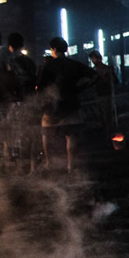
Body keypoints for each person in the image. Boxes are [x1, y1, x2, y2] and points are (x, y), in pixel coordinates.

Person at [35, 37, 96, 172]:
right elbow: (95, 75)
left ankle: (48, 163)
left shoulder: (48, 66)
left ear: (54, 49)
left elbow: (39, 87)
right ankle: (71, 165)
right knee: (71, 134)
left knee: (46, 133)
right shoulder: (74, 65)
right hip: (71, 103)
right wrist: (82, 87)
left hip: (53, 105)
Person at [6, 33, 39, 171]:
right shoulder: (29, 61)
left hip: (18, 101)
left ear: (10, 46)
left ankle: (22, 167)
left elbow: (20, 79)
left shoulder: (11, 61)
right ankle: (33, 166)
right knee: (31, 134)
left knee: (18, 134)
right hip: (32, 99)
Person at [88, 50, 118, 141]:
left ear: (98, 58)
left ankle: (109, 136)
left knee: (107, 117)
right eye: (92, 59)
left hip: (106, 96)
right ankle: (105, 135)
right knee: (101, 118)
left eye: (93, 58)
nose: (93, 61)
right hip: (98, 95)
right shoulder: (93, 71)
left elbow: (115, 81)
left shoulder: (107, 69)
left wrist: (108, 76)